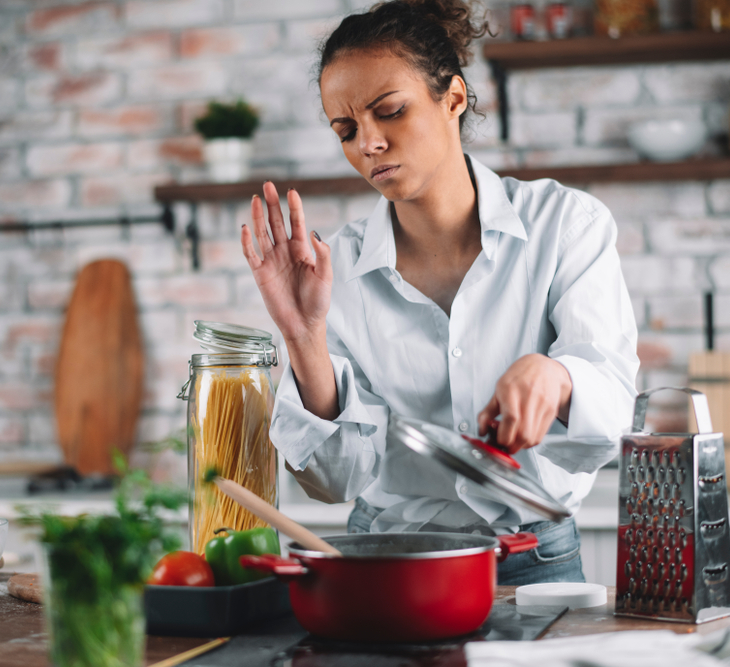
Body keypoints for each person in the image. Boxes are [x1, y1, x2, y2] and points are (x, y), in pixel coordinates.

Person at [239, 0, 639, 585]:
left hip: (535, 562)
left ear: (453, 98)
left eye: (390, 111)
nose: (368, 144)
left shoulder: (566, 224)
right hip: (390, 565)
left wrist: (559, 379)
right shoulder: (335, 268)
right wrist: (304, 337)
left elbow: (609, 418)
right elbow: (334, 480)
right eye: (346, 130)